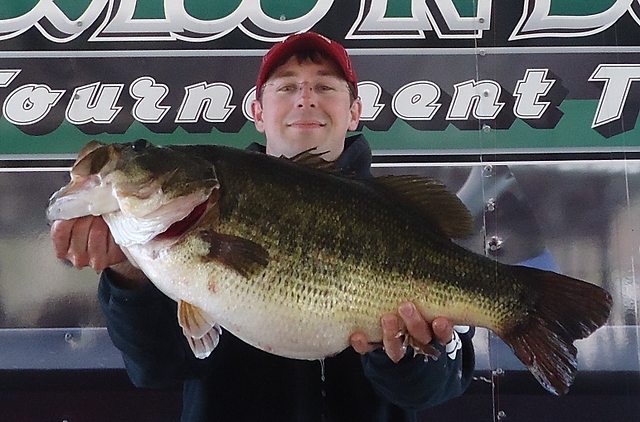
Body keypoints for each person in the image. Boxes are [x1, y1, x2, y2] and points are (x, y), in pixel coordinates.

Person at [50, 32, 475, 421]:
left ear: (354, 112)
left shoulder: (400, 218)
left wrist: (395, 353)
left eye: (324, 86)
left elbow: (438, 389)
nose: (305, 98)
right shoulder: (176, 236)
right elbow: (157, 369)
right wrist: (128, 274)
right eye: (286, 86)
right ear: (257, 111)